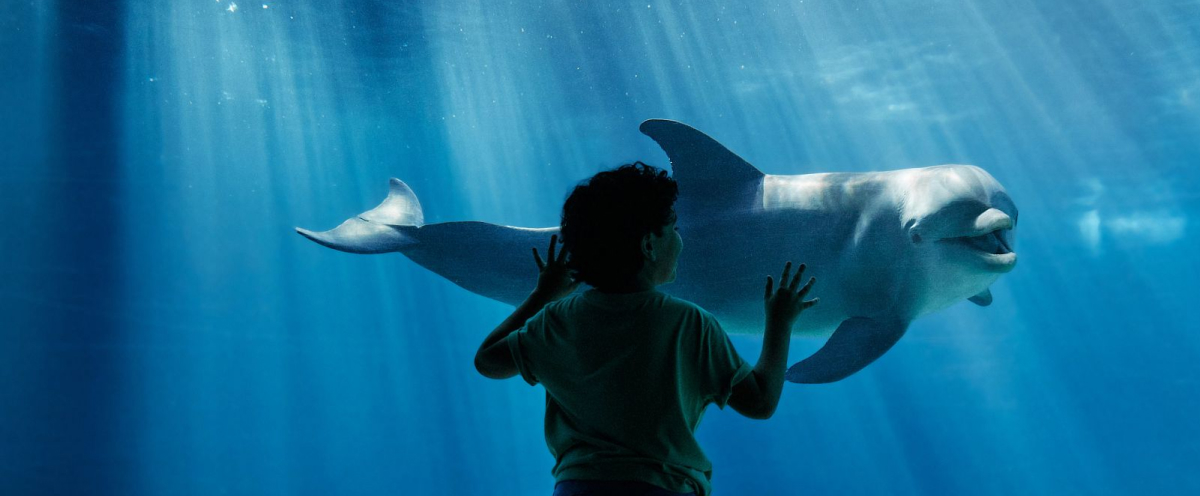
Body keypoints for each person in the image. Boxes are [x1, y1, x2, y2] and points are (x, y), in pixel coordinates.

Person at [475, 162, 818, 496]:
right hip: (663, 485)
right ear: (649, 246)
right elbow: (760, 402)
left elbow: (488, 362)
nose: (682, 241)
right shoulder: (690, 323)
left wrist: (542, 294)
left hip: (578, 485)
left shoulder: (557, 320)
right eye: (674, 229)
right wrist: (780, 323)